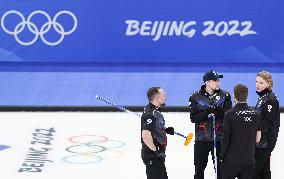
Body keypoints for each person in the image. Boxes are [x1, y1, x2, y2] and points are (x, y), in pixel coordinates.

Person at [189, 70, 232, 179]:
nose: (218, 82)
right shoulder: (195, 97)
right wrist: (207, 112)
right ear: (207, 82)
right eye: (215, 80)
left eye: (218, 80)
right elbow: (193, 118)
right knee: (199, 170)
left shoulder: (225, 95)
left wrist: (218, 112)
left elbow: (228, 116)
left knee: (221, 171)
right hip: (201, 139)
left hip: (219, 139)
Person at [220, 84, 261, 179]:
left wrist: (222, 156)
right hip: (248, 160)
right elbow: (258, 138)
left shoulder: (229, 114)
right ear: (247, 96)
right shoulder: (256, 114)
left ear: (234, 96)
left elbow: (226, 139)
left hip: (231, 160)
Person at [141, 87, 175, 179]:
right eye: (163, 95)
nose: (166, 97)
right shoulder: (151, 114)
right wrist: (155, 150)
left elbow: (153, 128)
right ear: (157, 98)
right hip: (153, 156)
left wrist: (164, 129)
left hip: (157, 156)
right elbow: (145, 135)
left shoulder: (154, 110)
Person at [254, 71, 280, 179]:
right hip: (262, 141)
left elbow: (268, 122)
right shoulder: (263, 97)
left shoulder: (270, 99)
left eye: (261, 83)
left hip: (265, 142)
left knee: (253, 170)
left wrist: (252, 126)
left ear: (269, 84)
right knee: (264, 170)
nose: (257, 85)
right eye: (256, 82)